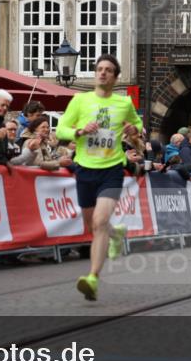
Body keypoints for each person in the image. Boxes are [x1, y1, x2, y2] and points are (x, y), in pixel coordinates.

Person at [55, 54, 143, 301]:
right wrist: (80, 131)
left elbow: (138, 127)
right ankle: (116, 235)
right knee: (92, 225)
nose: (102, 73)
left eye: (108, 70)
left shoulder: (124, 103)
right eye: (99, 69)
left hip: (112, 169)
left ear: (115, 77)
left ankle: (92, 278)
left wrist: (133, 129)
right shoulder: (80, 100)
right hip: (84, 168)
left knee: (100, 221)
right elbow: (60, 129)